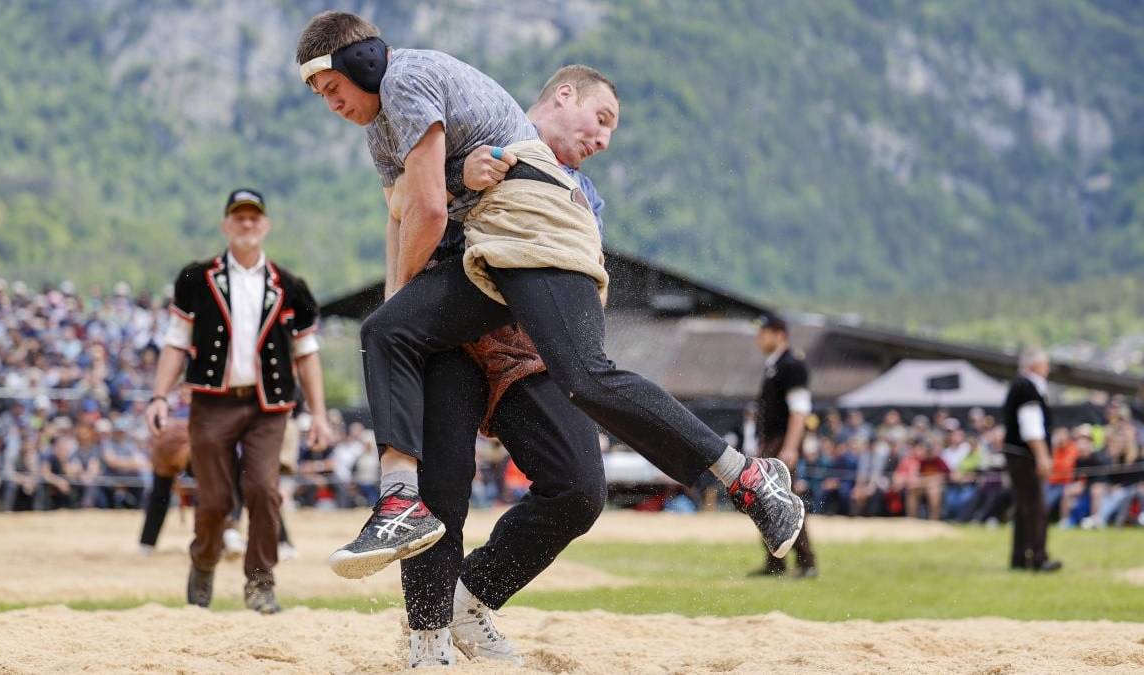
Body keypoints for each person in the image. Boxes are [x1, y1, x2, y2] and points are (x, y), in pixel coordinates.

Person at [296, 11, 802, 589]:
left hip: (525, 258)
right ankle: (412, 545)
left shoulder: (412, 84)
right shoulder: (393, 121)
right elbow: (406, 211)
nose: (603, 139)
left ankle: (746, 476)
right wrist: (403, 293)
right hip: (490, 258)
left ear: (361, 64)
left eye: (333, 88)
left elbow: (431, 209)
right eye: (601, 119)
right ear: (562, 96)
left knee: (584, 383)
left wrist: (453, 187)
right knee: (387, 332)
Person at [144, 188, 333, 613]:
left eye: (254, 218)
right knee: (214, 501)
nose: (247, 225)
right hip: (213, 402)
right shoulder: (196, 279)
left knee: (264, 490)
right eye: (239, 218)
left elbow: (306, 354)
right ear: (226, 225)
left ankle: (261, 582)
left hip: (268, 406)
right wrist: (159, 395)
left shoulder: (290, 286)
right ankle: (205, 563)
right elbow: (176, 342)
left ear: (265, 225)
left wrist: (319, 414)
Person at [749, 313, 817, 577]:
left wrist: (790, 447)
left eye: (763, 332)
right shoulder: (774, 365)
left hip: (781, 442)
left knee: (784, 503)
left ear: (779, 335)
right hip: (772, 442)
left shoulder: (791, 365)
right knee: (768, 502)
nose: (759, 337)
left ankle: (806, 562)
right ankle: (776, 562)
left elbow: (799, 411)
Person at [1001, 348, 1061, 572]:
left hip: (1016, 454)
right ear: (1034, 365)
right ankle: (1038, 557)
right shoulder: (1028, 387)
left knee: (1022, 506)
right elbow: (1031, 426)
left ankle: (1019, 558)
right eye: (1045, 364)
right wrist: (1043, 456)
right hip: (1025, 455)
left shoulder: (1018, 385)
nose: (1047, 368)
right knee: (1035, 506)